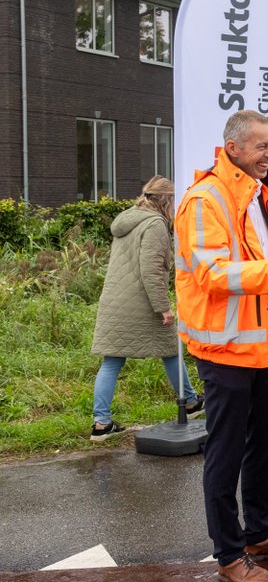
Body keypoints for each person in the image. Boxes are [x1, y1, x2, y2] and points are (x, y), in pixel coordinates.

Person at [175, 109, 268, 582]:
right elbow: (212, 274)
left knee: (264, 442)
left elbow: (264, 257)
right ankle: (230, 553)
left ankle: (259, 532)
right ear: (232, 148)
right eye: (261, 146)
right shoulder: (203, 200)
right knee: (227, 451)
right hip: (225, 348)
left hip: (267, 340)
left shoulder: (262, 194)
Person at [89, 176, 202, 442]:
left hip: (116, 302)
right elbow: (150, 270)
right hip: (141, 304)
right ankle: (190, 401)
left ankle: (101, 423)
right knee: (171, 349)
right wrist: (163, 307)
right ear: (166, 200)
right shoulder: (155, 225)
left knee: (112, 360)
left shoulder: (129, 218)